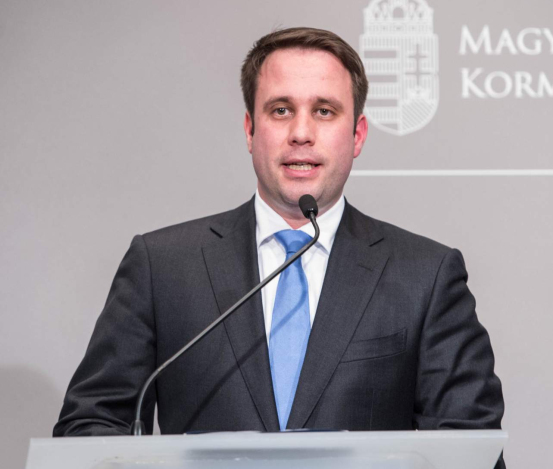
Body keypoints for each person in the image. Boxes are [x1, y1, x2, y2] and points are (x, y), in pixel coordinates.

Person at [54, 27, 505, 466]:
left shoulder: (425, 276)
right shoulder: (163, 266)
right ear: (250, 130)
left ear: (358, 135)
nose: (301, 132)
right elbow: (90, 427)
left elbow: (470, 447)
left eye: (324, 111)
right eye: (281, 110)